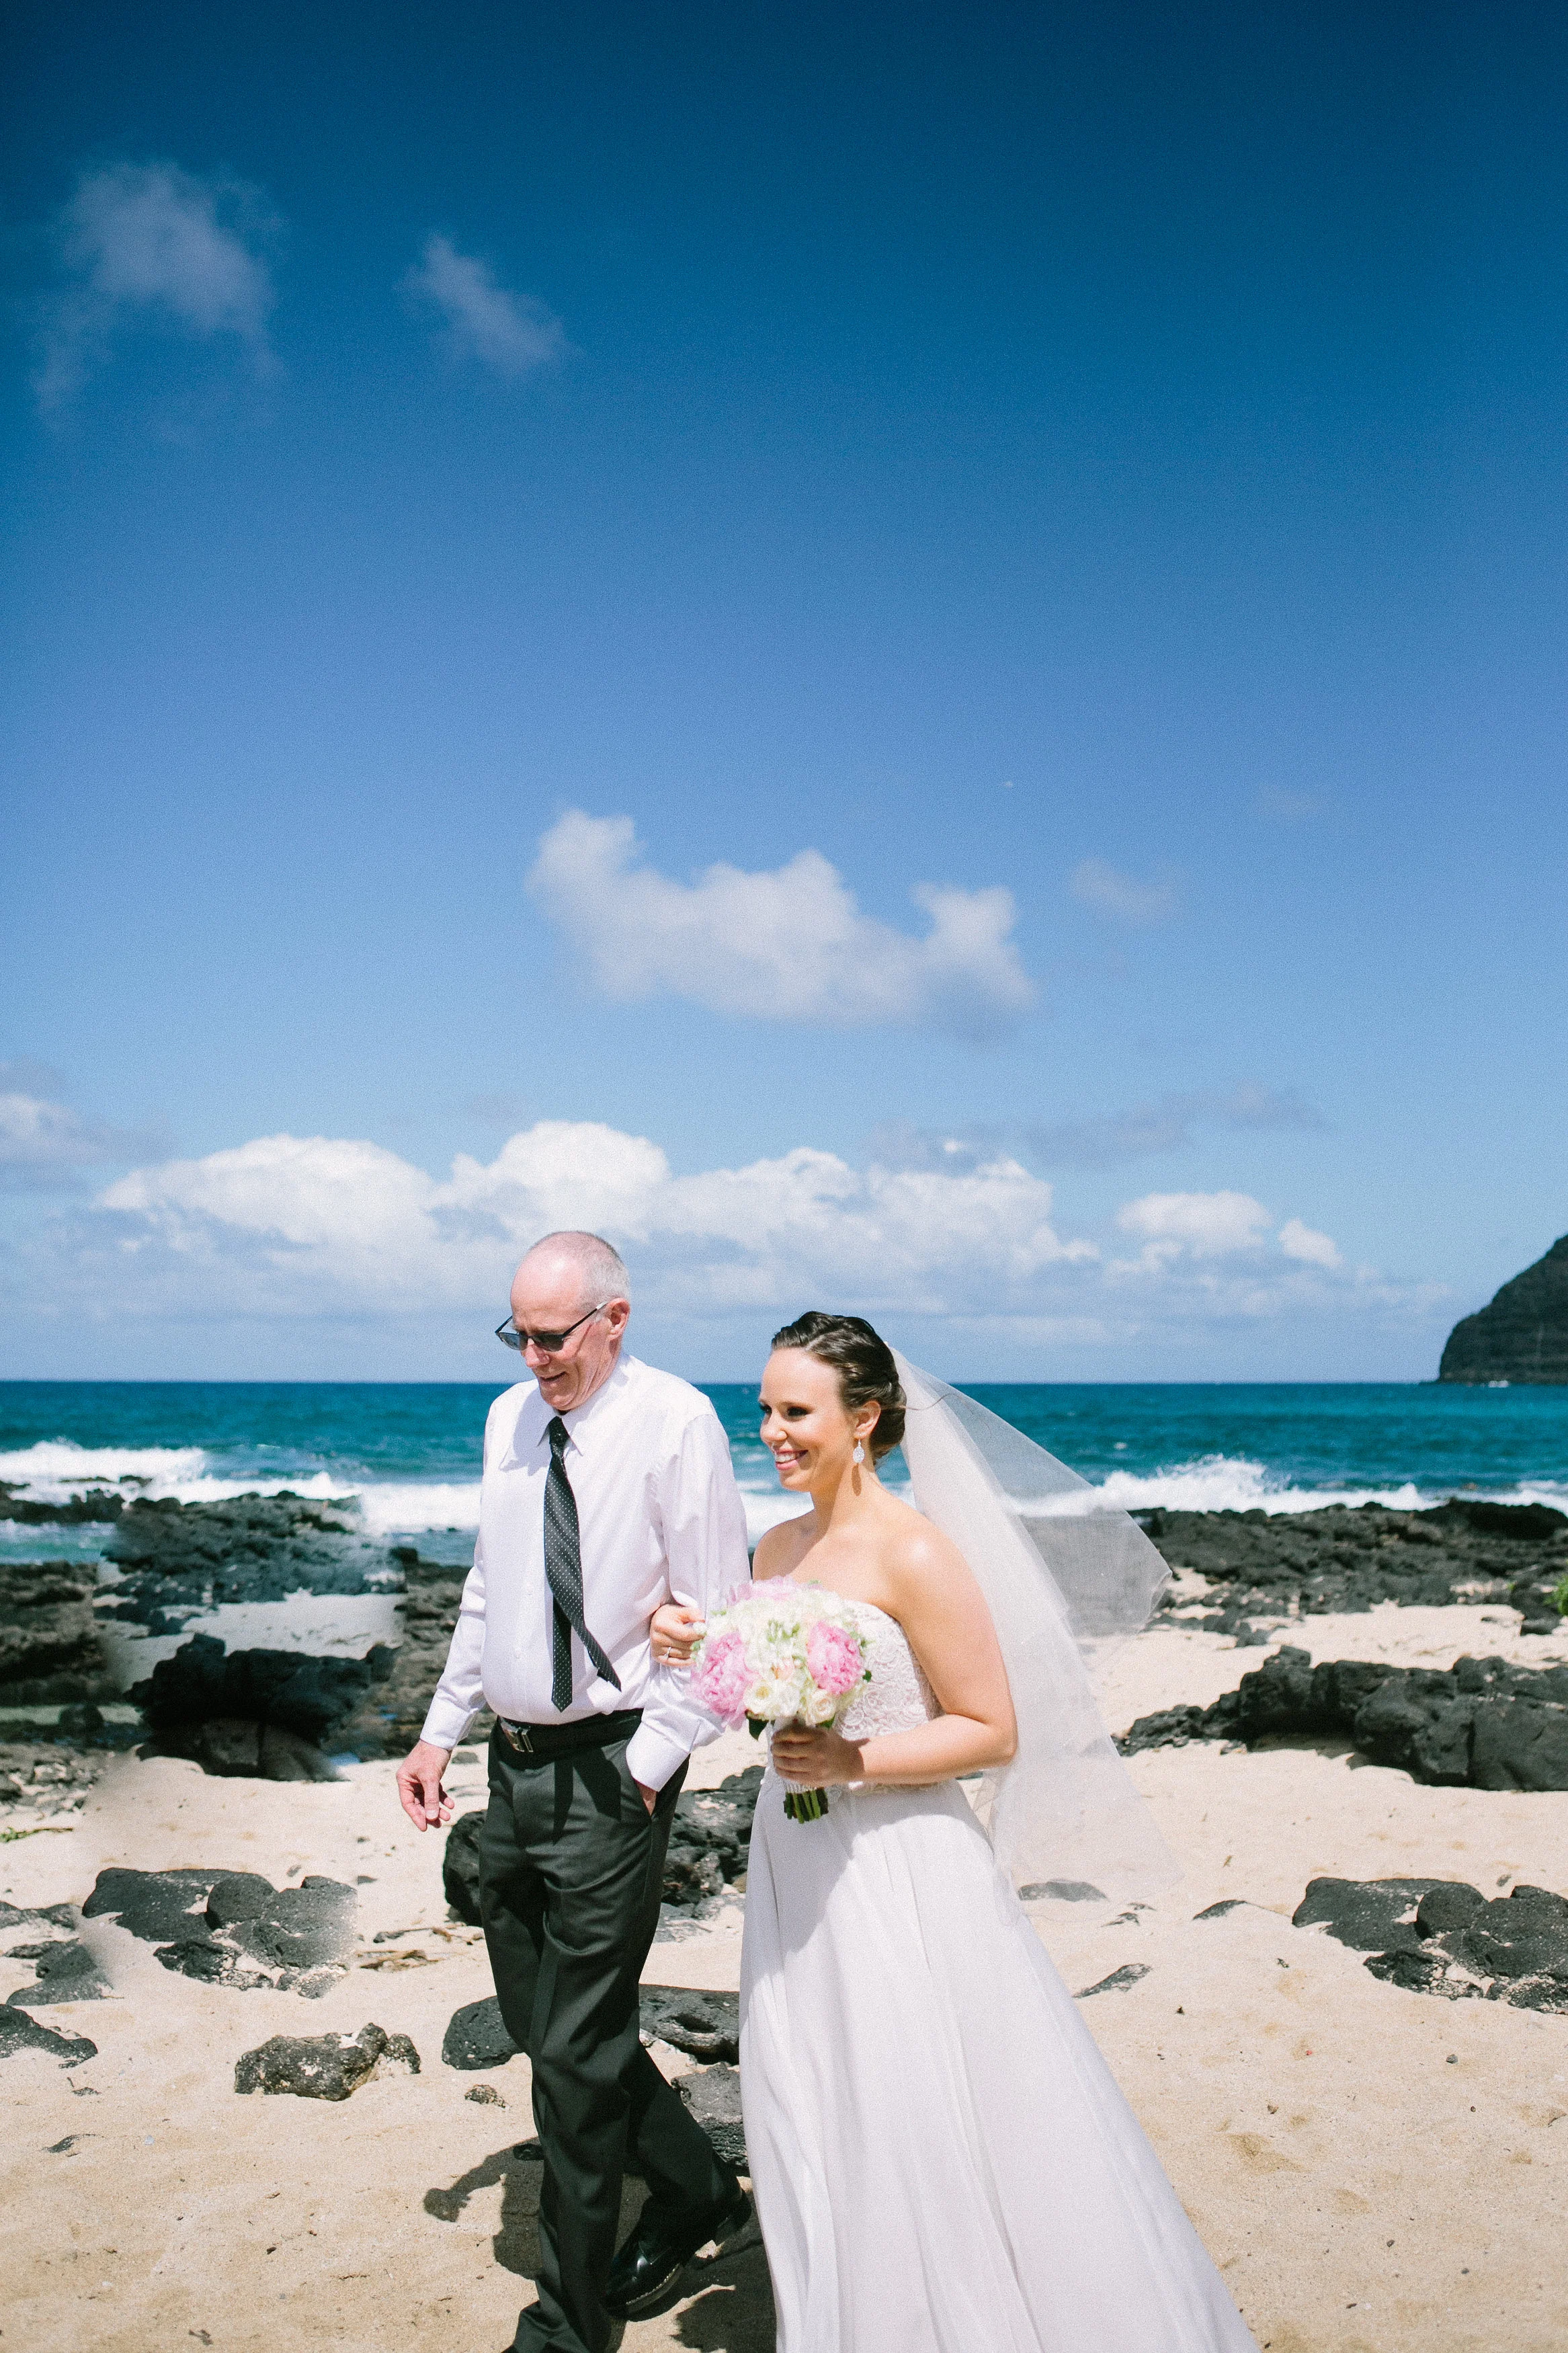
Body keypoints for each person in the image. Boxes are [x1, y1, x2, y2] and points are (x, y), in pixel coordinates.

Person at [651, 1311, 1258, 2353]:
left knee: (916, 2105)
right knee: (816, 2093)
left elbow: (993, 1730)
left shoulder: (920, 1552)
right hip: (795, 1850)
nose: (772, 1432)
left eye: (796, 1412)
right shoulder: (779, 1544)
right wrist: (698, 1646)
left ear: (865, 1418)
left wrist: (852, 1763)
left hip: (901, 1862)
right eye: (765, 1409)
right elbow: (761, 1687)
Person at [397, 1231, 753, 2353]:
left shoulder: (678, 1422)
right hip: (511, 1768)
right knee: (542, 2027)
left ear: (616, 1320)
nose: (535, 1357)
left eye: (555, 1336)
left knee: (572, 2063)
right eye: (520, 1334)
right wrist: (439, 1732)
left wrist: (648, 1767)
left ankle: (569, 2326)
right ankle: (697, 2189)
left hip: (614, 1771)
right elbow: (491, 1588)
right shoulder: (507, 1420)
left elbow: (721, 1618)